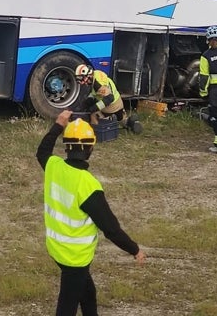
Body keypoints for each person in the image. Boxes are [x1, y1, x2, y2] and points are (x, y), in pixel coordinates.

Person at [37, 110, 145, 316]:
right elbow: (111, 229)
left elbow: (42, 152)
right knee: (67, 306)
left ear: (66, 146)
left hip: (57, 249)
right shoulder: (88, 186)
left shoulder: (53, 166)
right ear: (90, 148)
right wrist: (134, 250)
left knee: (87, 293)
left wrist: (59, 124)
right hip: (75, 257)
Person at [75, 63, 141, 134]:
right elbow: (95, 94)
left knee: (93, 115)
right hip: (118, 103)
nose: (83, 82)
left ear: (87, 75)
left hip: (112, 106)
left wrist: (94, 108)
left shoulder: (98, 83)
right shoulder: (96, 75)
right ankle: (129, 122)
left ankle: (96, 131)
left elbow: (109, 98)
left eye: (82, 79)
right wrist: (85, 104)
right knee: (121, 119)